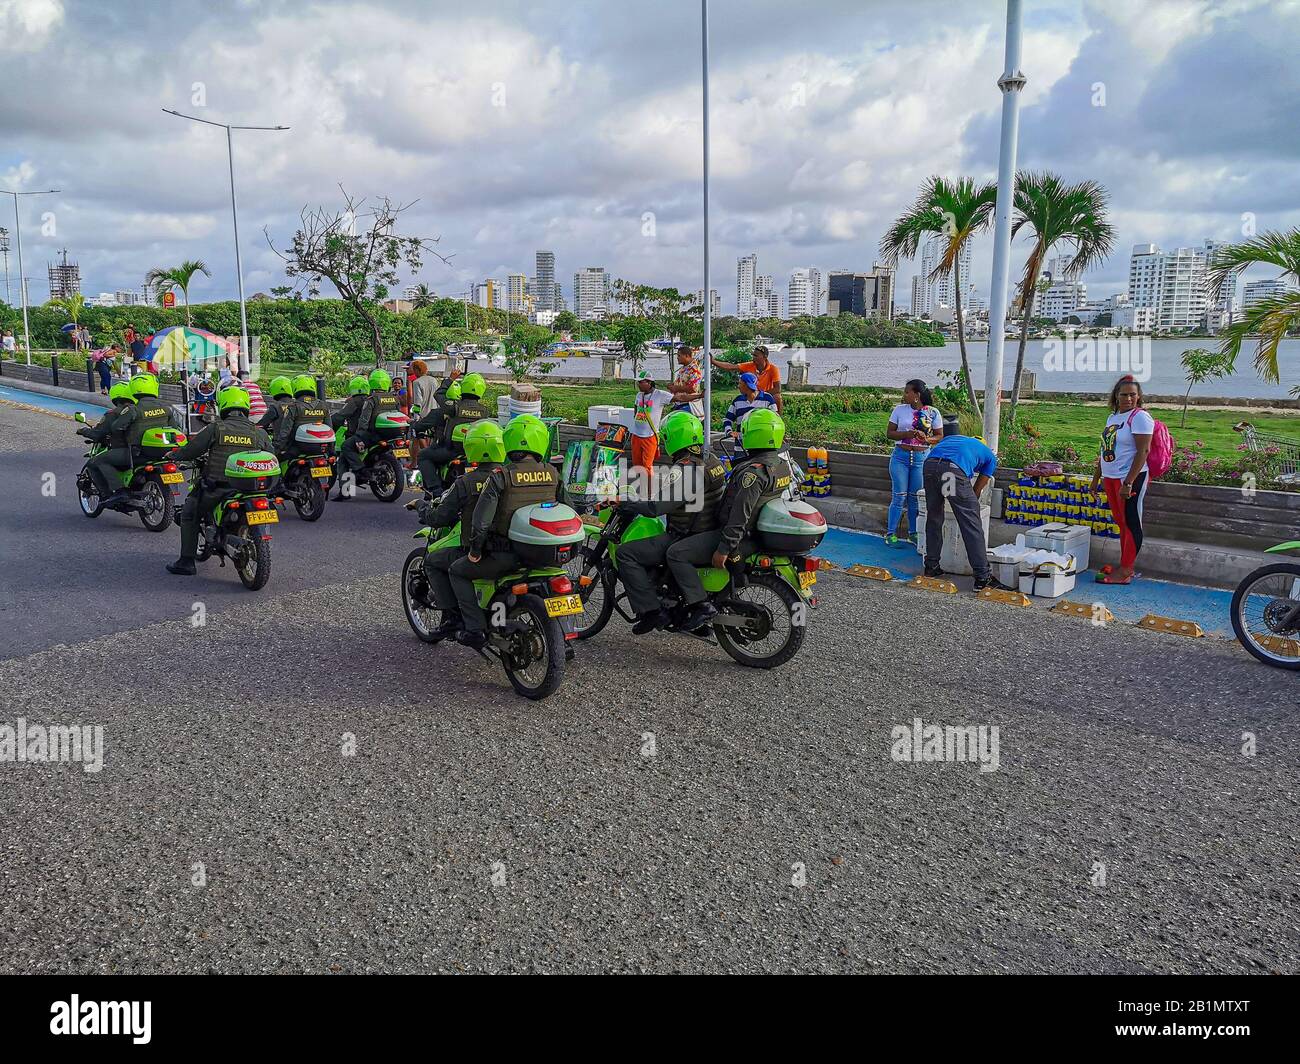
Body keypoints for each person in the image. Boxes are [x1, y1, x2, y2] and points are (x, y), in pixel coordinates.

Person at [666, 407, 792, 632]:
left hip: (734, 536)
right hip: (756, 534)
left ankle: (699, 608)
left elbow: (739, 515)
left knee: (676, 553)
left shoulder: (752, 474)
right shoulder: (781, 466)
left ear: (754, 434)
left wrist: (724, 549)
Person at [449, 414, 560, 649]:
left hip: (506, 555)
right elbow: (569, 508)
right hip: (545, 554)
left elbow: (481, 521)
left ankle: (475, 629)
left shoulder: (501, 476)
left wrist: (475, 550)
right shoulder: (552, 473)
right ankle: (562, 641)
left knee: (457, 571)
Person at [615, 411, 728, 634]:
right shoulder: (710, 458)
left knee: (626, 553)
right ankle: (680, 611)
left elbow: (656, 508)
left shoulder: (685, 468)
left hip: (688, 534)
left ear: (674, 438)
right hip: (709, 529)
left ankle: (651, 612)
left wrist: (630, 504)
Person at [409, 419, 505, 642]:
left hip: (481, 550)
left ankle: (454, 618)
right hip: (512, 549)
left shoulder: (466, 482)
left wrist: (421, 507)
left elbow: (441, 517)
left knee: (434, 560)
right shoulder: (508, 476)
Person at [165, 386, 275, 576]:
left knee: (190, 511)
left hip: (219, 489)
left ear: (222, 405)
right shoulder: (259, 433)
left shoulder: (217, 428)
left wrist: (175, 455)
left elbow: (193, 450)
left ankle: (186, 561)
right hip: (253, 490)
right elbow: (271, 457)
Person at [922, 417, 1008, 592]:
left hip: (929, 466)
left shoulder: (956, 441)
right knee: (971, 522)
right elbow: (977, 490)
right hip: (951, 471)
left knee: (934, 516)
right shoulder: (990, 457)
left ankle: (931, 566)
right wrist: (968, 505)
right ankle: (983, 577)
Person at [1091, 374, 1154, 585]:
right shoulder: (1113, 417)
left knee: (1131, 523)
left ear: (1139, 397)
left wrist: (1128, 483)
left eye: (1133, 395)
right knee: (1121, 523)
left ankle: (1126, 570)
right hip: (1111, 477)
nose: (1128, 398)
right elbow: (1106, 450)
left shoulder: (1140, 418)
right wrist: (1096, 478)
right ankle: (1123, 565)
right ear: (1116, 396)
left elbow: (1143, 451)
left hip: (1129, 479)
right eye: (1124, 394)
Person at [885, 379, 943, 546]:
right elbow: (890, 433)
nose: (905, 395)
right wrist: (907, 434)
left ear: (916, 395)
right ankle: (890, 533)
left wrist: (927, 438)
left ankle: (913, 533)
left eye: (907, 392)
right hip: (900, 458)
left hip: (921, 459)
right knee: (899, 495)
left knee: (914, 497)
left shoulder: (933, 413)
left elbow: (939, 436)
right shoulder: (899, 410)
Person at [415, 372, 492, 492]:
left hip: (451, 451)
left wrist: (450, 379)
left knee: (423, 455)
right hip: (474, 452)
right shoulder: (485, 411)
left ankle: (436, 490)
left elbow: (439, 394)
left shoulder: (454, 406)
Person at [78, 381, 137, 501]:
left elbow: (98, 434)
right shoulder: (139, 410)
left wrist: (83, 431)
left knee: (95, 462)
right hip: (143, 451)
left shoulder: (113, 414)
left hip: (125, 451)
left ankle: (110, 493)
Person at [330, 375, 372, 496]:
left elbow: (339, 417)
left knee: (343, 456)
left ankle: (346, 491)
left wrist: (329, 427)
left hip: (357, 436)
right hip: (374, 436)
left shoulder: (355, 401)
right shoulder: (371, 399)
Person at [712, 344, 783, 414]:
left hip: (765, 395)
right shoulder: (749, 366)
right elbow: (731, 366)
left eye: (756, 356)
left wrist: (761, 395)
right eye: (753, 355)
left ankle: (777, 419)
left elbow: (777, 389)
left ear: (765, 357)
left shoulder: (773, 369)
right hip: (751, 396)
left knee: (777, 397)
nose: (753, 357)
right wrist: (713, 361)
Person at [630, 370, 675, 480]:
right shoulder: (639, 395)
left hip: (649, 436)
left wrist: (697, 396)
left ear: (649, 383)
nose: (639, 385)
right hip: (636, 435)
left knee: (647, 466)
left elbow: (678, 398)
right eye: (638, 382)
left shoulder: (660, 395)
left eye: (641, 382)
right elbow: (635, 410)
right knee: (637, 465)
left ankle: (649, 491)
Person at [720, 371, 776, 445]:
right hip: (741, 447)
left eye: (740, 383)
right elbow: (727, 419)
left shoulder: (768, 399)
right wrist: (729, 431)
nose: (738, 386)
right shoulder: (737, 400)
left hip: (761, 446)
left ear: (747, 386)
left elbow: (775, 420)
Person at [258, 376, 297, 454]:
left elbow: (262, 425)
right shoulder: (296, 405)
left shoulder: (275, 407)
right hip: (296, 444)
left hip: (281, 446)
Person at [668, 344, 704, 417]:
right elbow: (681, 383)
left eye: (679, 356)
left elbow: (693, 388)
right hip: (680, 403)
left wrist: (676, 388)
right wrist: (672, 386)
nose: (677, 358)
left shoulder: (694, 369)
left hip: (689, 404)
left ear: (687, 356)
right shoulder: (684, 368)